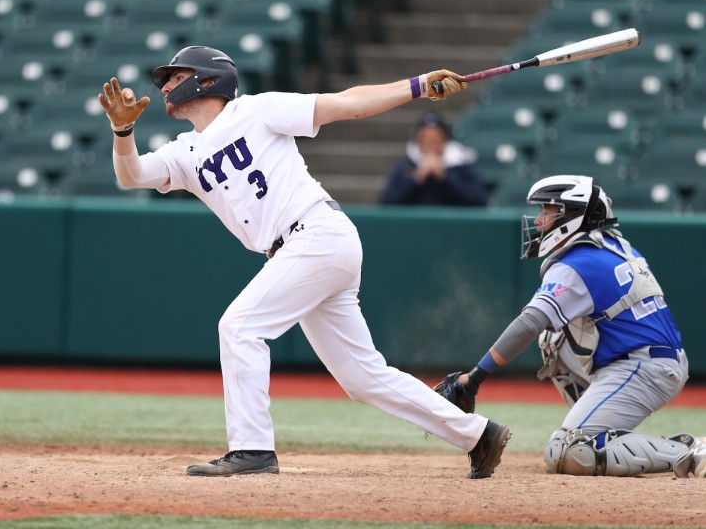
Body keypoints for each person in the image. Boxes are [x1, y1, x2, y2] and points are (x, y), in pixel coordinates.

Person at [98, 45, 511, 478]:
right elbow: (133, 175)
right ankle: (478, 435)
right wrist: (122, 131)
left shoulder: (257, 111)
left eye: (175, 76)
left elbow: (347, 105)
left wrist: (418, 85)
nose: (164, 85)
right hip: (304, 249)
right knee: (362, 378)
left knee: (239, 327)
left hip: (314, 234)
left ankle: (252, 450)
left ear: (207, 80)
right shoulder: (185, 152)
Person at [444, 175, 705, 477]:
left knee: (569, 451)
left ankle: (689, 451)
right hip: (651, 359)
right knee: (552, 339)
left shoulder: (576, 263)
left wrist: (475, 377)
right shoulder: (613, 244)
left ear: (572, 216)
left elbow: (528, 323)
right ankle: (595, 424)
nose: (540, 220)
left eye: (548, 211)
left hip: (642, 367)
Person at [379, 112, 487, 206]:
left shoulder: (463, 167)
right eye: (426, 140)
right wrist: (416, 179)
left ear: (445, 142)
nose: (431, 145)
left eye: (436, 140)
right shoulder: (404, 168)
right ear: (418, 143)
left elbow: (478, 201)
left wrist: (444, 177)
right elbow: (386, 202)